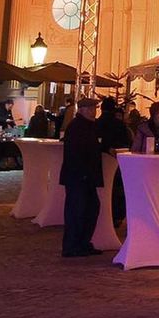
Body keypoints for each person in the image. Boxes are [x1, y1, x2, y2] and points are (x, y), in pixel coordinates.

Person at [59, 97, 103, 257]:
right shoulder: (76, 127)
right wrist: (83, 173)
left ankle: (83, 242)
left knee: (90, 209)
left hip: (87, 176)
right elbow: (75, 153)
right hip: (78, 176)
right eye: (90, 109)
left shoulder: (91, 126)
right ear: (81, 110)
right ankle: (72, 245)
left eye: (95, 108)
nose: (94, 111)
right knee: (76, 210)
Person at [97, 97, 132, 227]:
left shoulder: (97, 123)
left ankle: (102, 214)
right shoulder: (119, 125)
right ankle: (117, 215)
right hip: (118, 159)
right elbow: (127, 141)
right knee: (117, 188)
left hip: (100, 161)